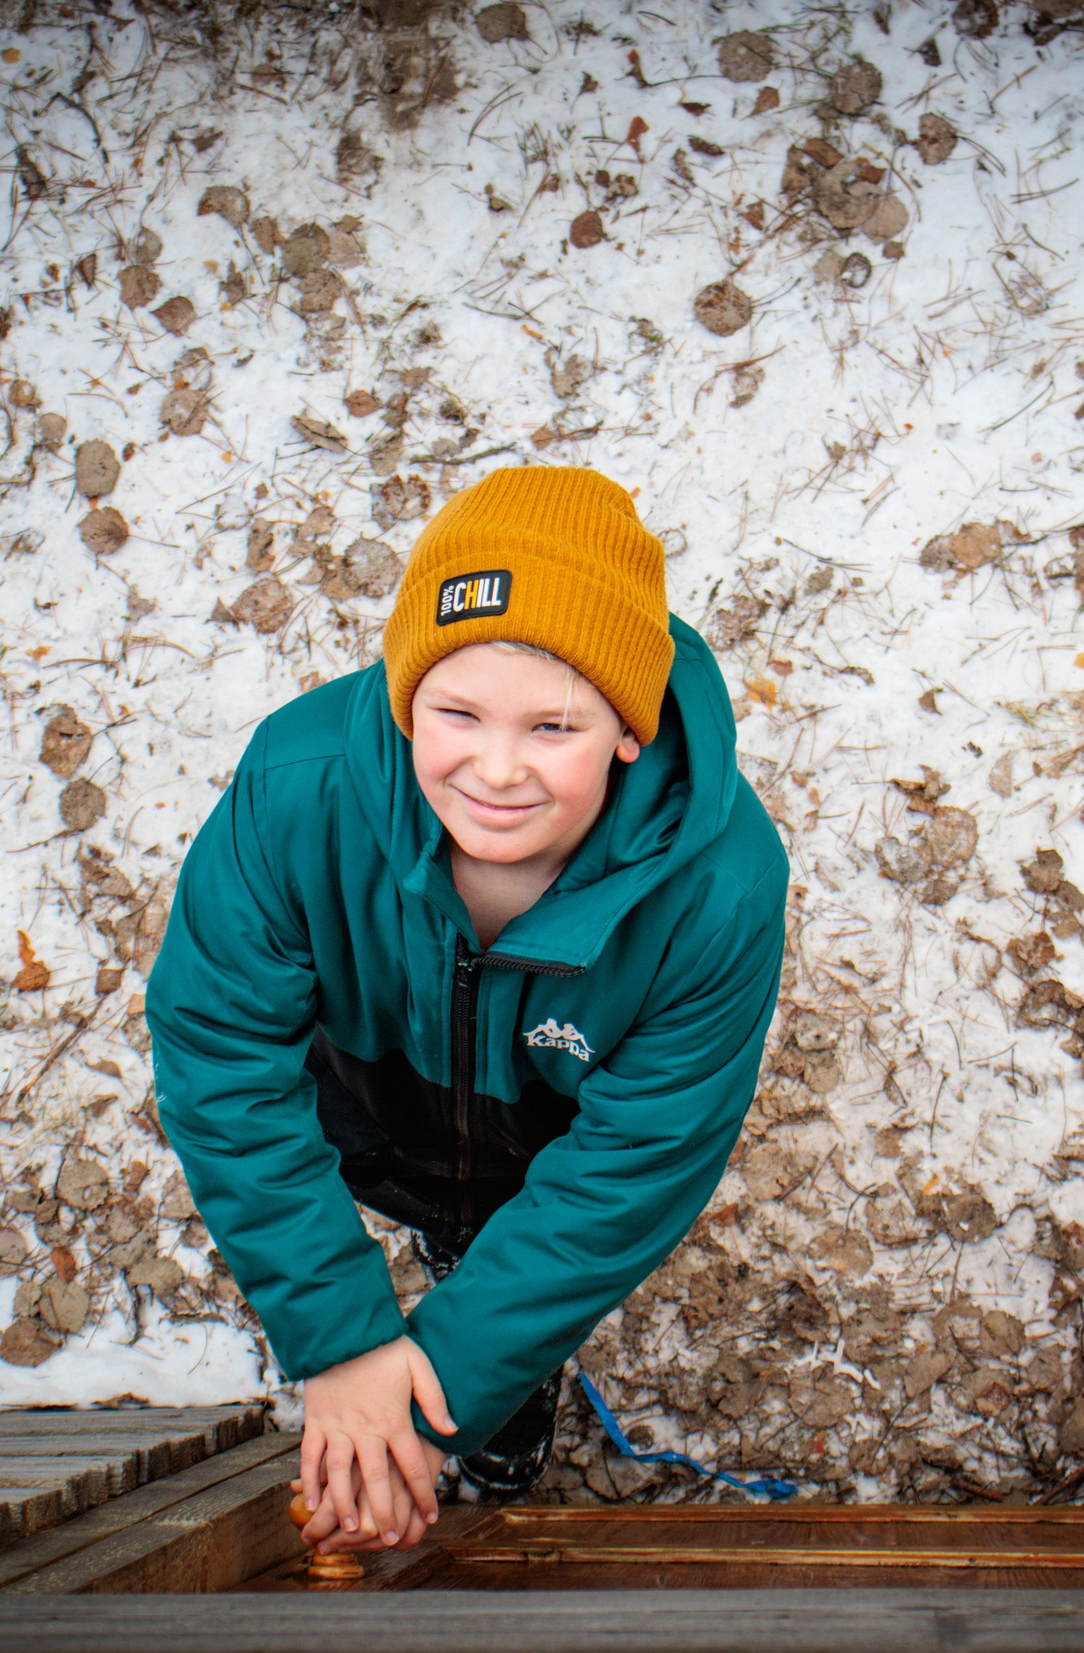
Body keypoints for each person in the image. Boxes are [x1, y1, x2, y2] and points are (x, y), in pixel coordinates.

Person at [145, 466, 789, 1556]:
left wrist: (426, 1396)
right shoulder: (295, 789)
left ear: (627, 730)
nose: (496, 769)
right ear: (405, 703)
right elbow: (222, 1052)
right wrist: (344, 1346)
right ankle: (409, 1300)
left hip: (542, 1120)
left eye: (553, 727)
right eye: (456, 713)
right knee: (368, 1213)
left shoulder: (716, 882)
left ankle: (486, 1369)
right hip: (367, 1077)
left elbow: (636, 1159)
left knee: (507, 1254)